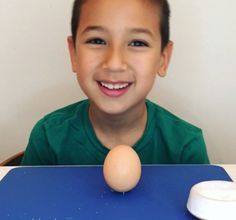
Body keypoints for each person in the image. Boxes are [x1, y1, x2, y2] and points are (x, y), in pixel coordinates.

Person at [21, 0, 209, 165]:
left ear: (163, 58)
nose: (114, 63)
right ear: (74, 54)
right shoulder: (48, 137)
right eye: (97, 40)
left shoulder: (185, 147)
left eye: (137, 43)